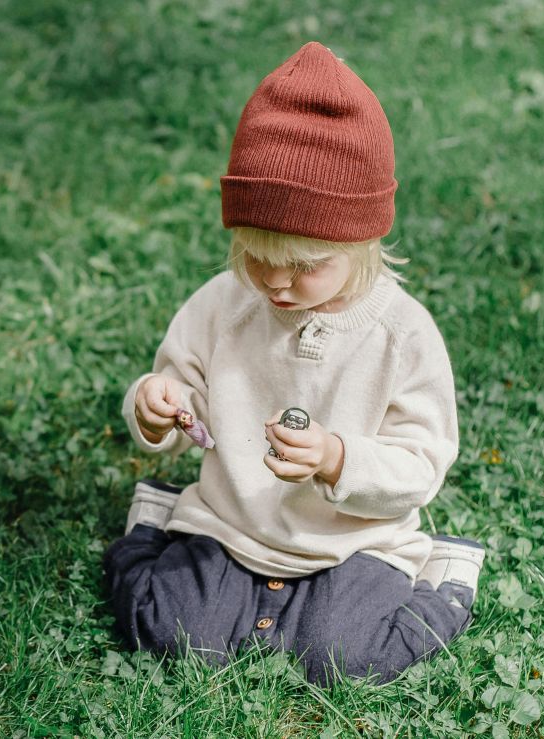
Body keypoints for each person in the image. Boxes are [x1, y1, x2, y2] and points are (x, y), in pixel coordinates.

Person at [103, 41, 486, 687]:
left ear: (362, 241)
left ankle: (444, 577)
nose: (277, 284)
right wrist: (156, 401)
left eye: (306, 267)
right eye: (256, 256)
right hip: (230, 524)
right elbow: (179, 386)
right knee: (169, 634)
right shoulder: (225, 304)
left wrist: (339, 458)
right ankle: (157, 521)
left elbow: (420, 463)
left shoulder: (402, 334)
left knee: (343, 657)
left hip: (352, 542)